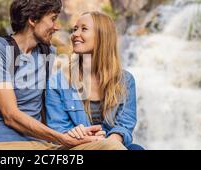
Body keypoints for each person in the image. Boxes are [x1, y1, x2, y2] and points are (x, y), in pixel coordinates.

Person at [0, 0, 125, 150]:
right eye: (53, 19)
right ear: (33, 20)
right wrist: (62, 138)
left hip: (43, 145)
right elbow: (10, 115)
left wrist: (75, 134)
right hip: (0, 144)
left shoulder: (47, 52)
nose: (57, 26)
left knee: (111, 146)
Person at [46, 11, 144, 150]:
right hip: (76, 147)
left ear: (102, 36)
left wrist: (109, 143)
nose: (75, 34)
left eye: (83, 29)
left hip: (112, 144)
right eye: (75, 29)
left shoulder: (126, 81)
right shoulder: (58, 81)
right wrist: (76, 135)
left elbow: (124, 125)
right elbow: (58, 129)